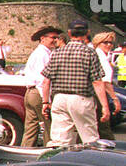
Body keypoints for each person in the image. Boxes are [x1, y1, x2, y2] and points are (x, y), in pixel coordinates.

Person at [40, 19, 108, 148]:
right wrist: (104, 106)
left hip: (59, 99)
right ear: (87, 33)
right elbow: (97, 81)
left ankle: (56, 164)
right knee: (90, 139)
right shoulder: (89, 52)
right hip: (81, 99)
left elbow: (46, 80)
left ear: (69, 33)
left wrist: (45, 102)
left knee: (60, 141)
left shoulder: (57, 52)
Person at [21, 26, 61, 147]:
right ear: (43, 38)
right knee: (50, 127)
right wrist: (46, 101)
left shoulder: (40, 53)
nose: (55, 40)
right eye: (53, 37)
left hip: (31, 93)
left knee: (31, 129)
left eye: (57, 38)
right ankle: (49, 154)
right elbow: (43, 80)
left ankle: (24, 153)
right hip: (39, 93)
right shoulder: (42, 55)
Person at [92, 32, 118, 138]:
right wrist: (115, 98)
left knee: (94, 127)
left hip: (96, 94)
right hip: (98, 95)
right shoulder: (100, 56)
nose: (109, 45)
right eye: (105, 42)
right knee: (104, 128)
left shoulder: (101, 55)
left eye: (111, 43)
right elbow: (105, 82)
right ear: (98, 43)